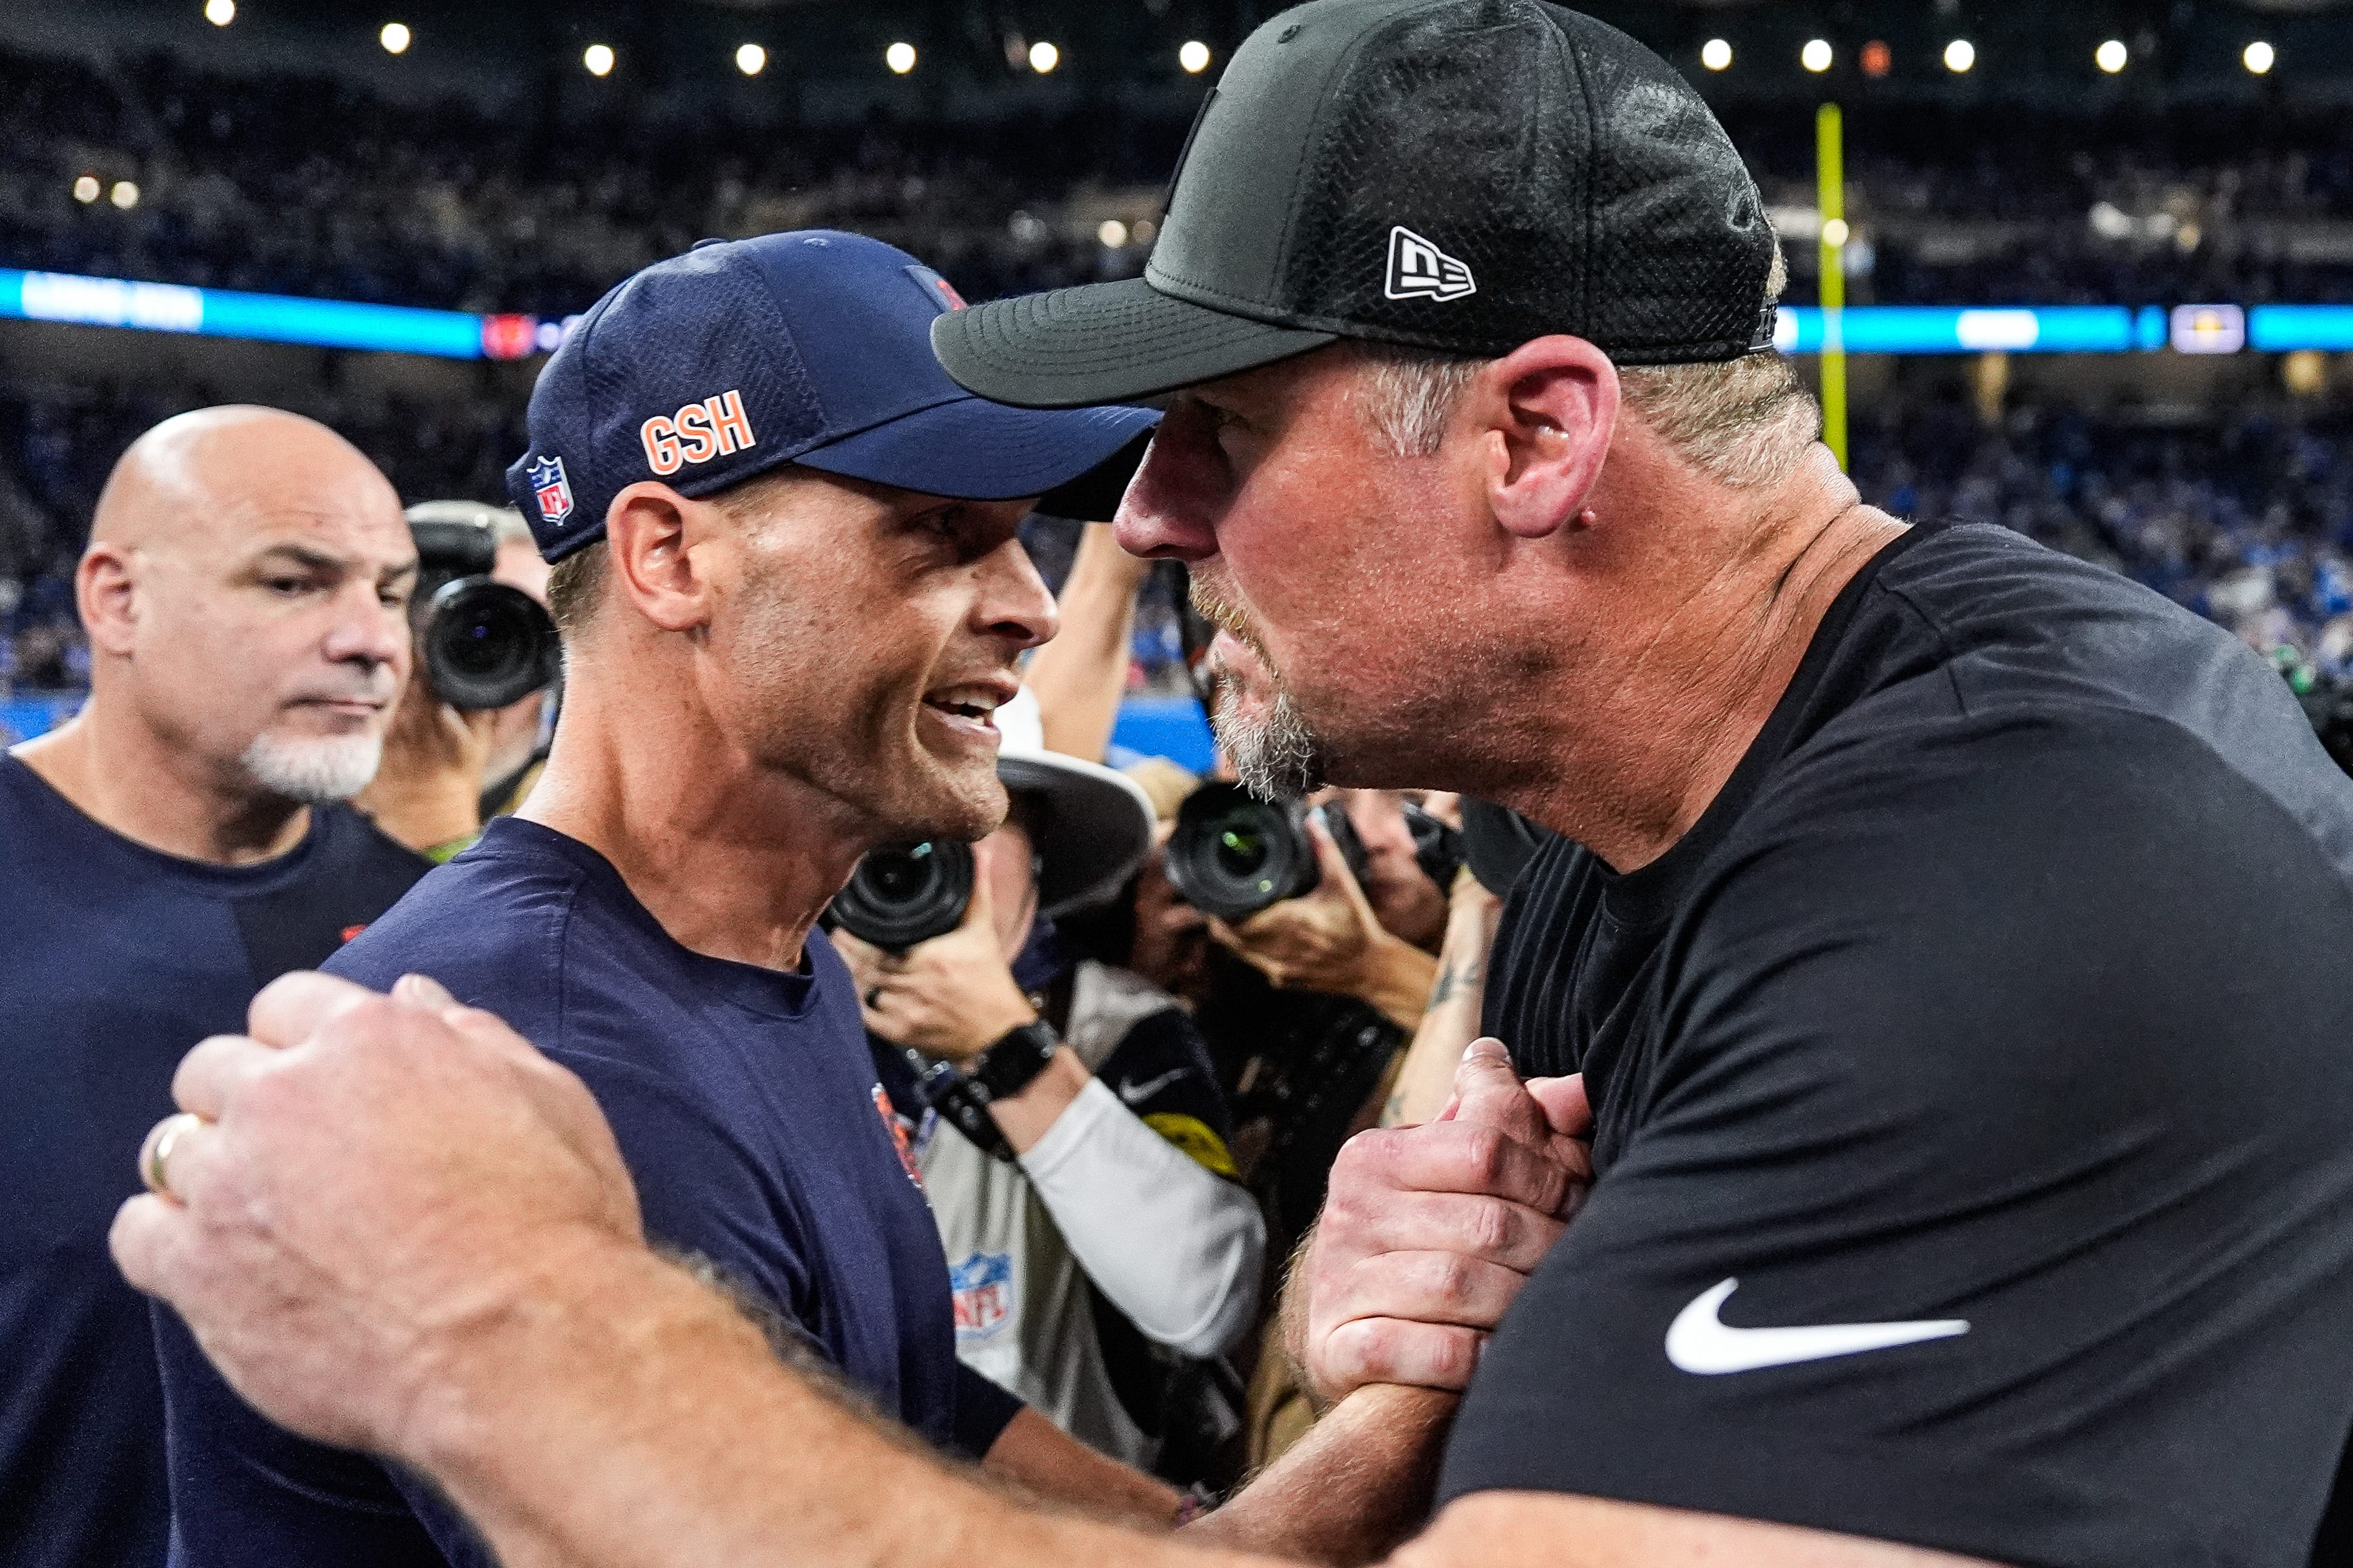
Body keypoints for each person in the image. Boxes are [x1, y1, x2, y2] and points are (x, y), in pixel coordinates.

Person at [117, 2, 2353, 1565]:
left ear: (1540, 437)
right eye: (956, 527)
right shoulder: (1602, 820)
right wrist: (1401, 1374)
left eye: (1221, 433)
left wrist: (503, 1318)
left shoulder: (2026, 865)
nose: (1141, 528)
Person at [146, 229, 1190, 1568]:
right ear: (670, 556)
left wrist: (1223, 1527)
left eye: (1024, 540)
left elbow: (888, 1400)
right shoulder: (533, 1051)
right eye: (943, 530)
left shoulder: (766, 942)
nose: (1031, 604)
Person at [0, 406, 428, 1568]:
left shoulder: (434, 930)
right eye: (296, 584)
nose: (373, 642)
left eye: (393, 593)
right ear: (115, 600)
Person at [840, 689, 1265, 1473]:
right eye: (896, 825)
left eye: (973, 824)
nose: (930, 856)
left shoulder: (1120, 1027)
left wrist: (1008, 1049)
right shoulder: (773, 1019)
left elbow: (1204, 1301)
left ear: (1038, 850)